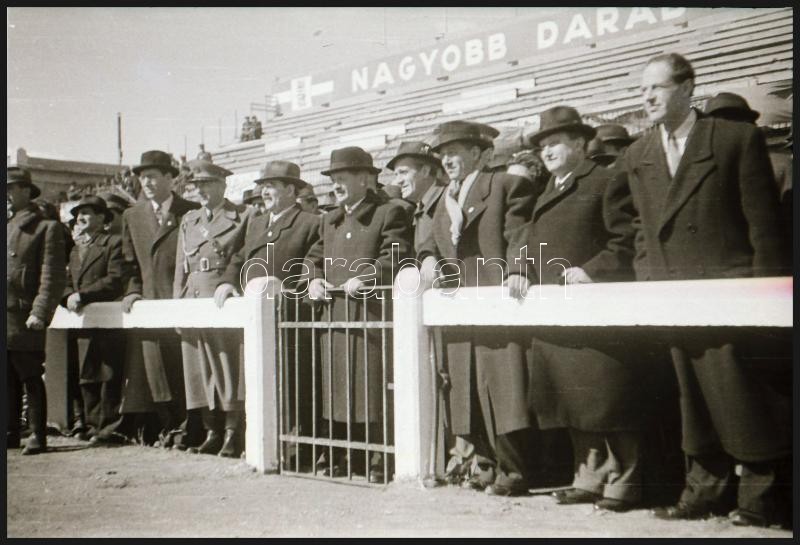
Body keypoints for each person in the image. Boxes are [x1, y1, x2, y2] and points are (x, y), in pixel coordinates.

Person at [623, 53, 790, 527]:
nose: (648, 98)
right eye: (642, 90)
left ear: (687, 87)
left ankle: (761, 498)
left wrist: (765, 297)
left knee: (745, 396)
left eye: (657, 87)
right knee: (692, 399)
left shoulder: (734, 139)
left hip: (731, 294)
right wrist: (648, 280)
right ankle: (704, 490)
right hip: (674, 295)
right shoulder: (638, 153)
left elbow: (763, 225)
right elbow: (642, 229)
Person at [525, 106, 648, 512]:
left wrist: (592, 271)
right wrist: (520, 270)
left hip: (597, 311)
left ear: (579, 143)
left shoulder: (604, 179)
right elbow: (531, 243)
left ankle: (625, 481)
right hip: (557, 312)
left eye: (555, 143)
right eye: (543, 145)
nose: (547, 151)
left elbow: (625, 239)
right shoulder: (547, 189)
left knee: (609, 399)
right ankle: (589, 476)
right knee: (573, 400)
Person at [417, 121, 535, 496]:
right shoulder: (443, 200)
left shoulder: (503, 185)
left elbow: (520, 233)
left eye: (454, 153)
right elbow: (431, 241)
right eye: (443, 155)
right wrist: (428, 259)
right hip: (459, 305)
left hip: (496, 300)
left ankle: (515, 469)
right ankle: (484, 463)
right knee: (466, 387)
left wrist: (518, 268)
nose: (447, 160)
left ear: (477, 154)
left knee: (502, 386)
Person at [306, 146, 411, 483]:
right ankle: (342, 454)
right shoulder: (330, 219)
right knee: (337, 387)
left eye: (343, 177)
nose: (336, 185)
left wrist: (367, 276)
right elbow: (312, 258)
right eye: (333, 178)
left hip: (370, 313)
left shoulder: (389, 212)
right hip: (335, 314)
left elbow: (396, 254)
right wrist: (313, 279)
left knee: (371, 387)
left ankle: (379, 458)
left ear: (366, 179)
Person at [216, 161, 322, 466]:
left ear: (290, 189)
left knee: (294, 384)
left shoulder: (311, 222)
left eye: (271, 186)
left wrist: (294, 291)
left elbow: (312, 263)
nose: (264, 192)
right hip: (255, 318)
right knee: (257, 382)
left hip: (292, 317)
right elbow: (239, 257)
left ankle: (300, 450)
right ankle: (261, 444)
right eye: (263, 186)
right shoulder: (256, 223)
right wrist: (227, 281)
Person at [120, 150, 201, 448]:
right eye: (143, 178)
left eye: (153, 176)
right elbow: (128, 264)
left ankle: (189, 429)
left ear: (171, 178)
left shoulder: (191, 211)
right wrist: (133, 291)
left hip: (182, 301)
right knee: (155, 372)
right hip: (150, 306)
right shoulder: (132, 215)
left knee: (183, 367)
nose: (147, 183)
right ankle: (168, 428)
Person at [172, 160, 253, 458]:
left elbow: (244, 257)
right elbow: (181, 267)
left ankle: (232, 433)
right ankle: (211, 432)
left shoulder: (243, 215)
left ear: (223, 184)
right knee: (198, 369)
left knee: (227, 366)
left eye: (207, 184)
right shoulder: (189, 220)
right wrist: (177, 304)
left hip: (221, 297)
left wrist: (231, 285)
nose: (201, 190)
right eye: (197, 185)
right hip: (192, 298)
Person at [7, 166, 67, 454]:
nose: (6, 195)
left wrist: (40, 312)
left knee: (30, 374)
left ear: (26, 191)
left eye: (11, 188)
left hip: (24, 314)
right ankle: (9, 432)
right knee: (6, 375)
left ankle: (37, 434)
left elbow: (51, 276)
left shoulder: (46, 228)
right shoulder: (7, 224)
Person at [61, 196, 127, 444]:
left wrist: (83, 295)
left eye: (87, 212)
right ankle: (91, 425)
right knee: (86, 374)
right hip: (81, 320)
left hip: (108, 319)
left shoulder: (113, 243)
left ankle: (108, 428)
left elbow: (115, 279)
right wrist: (67, 296)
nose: (81, 217)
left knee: (108, 373)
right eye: (78, 214)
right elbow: (66, 281)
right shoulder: (75, 249)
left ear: (102, 218)